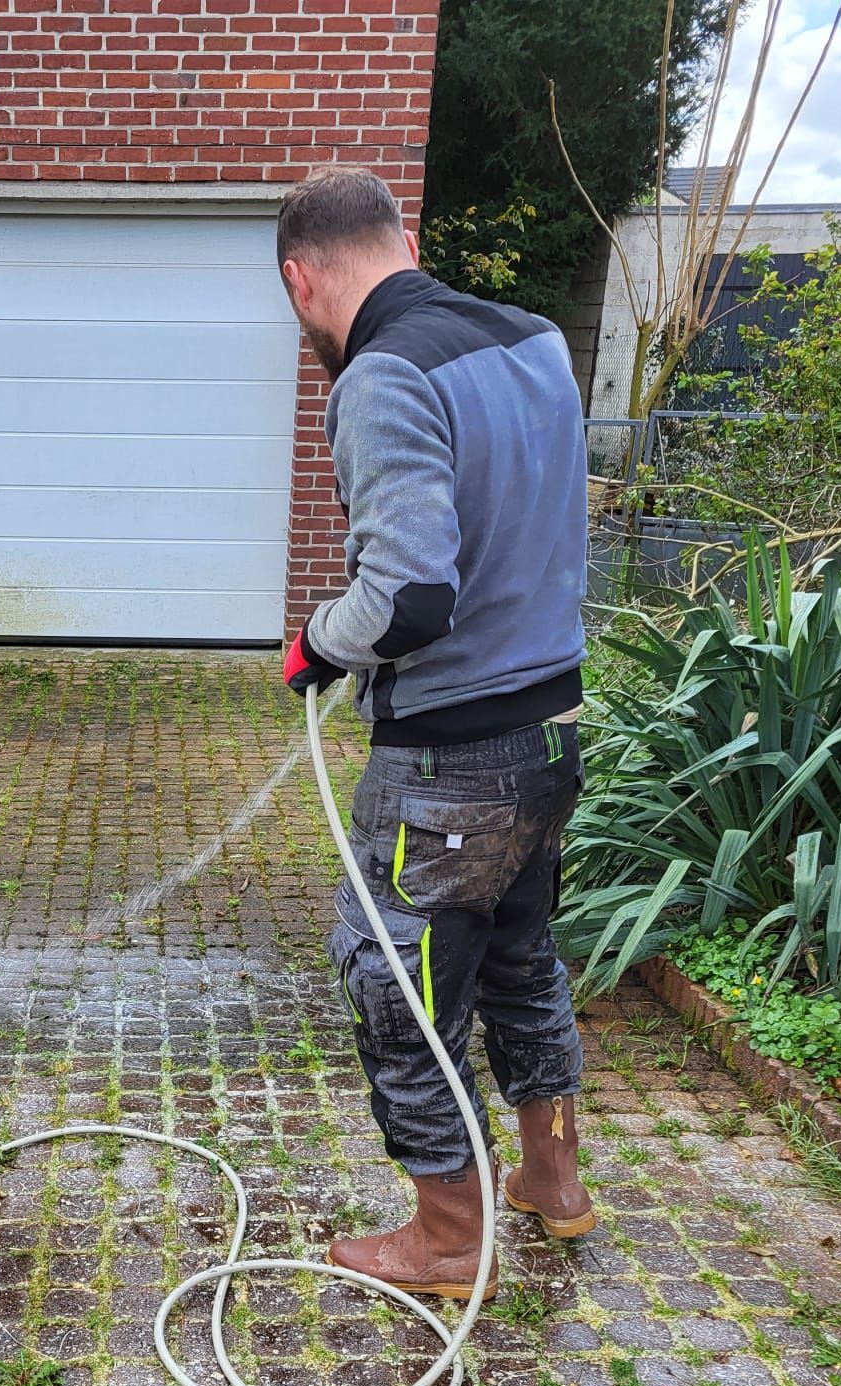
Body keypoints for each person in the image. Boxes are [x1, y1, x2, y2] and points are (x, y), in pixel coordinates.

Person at [276, 165, 596, 1302]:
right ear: (404, 237)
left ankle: (449, 1240)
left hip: (450, 762)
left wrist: (318, 639)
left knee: (394, 981)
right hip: (551, 736)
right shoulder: (534, 342)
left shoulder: (382, 373)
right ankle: (552, 1184)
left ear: (301, 279)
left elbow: (410, 595)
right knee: (518, 959)